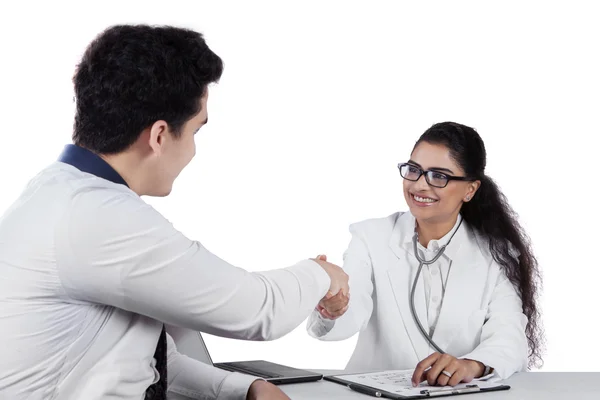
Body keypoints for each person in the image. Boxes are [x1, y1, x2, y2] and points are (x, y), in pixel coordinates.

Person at [0, 24, 349, 400]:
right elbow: (254, 310)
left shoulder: (58, 191)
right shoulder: (97, 216)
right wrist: (323, 274)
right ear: (160, 135)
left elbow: (134, 357)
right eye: (197, 131)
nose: (195, 151)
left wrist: (243, 387)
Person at [308, 122, 543, 387]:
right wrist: (333, 308)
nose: (420, 185)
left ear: (470, 190)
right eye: (414, 170)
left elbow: (509, 338)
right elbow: (352, 312)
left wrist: (472, 365)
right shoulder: (371, 237)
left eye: (439, 176)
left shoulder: (496, 255)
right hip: (373, 395)